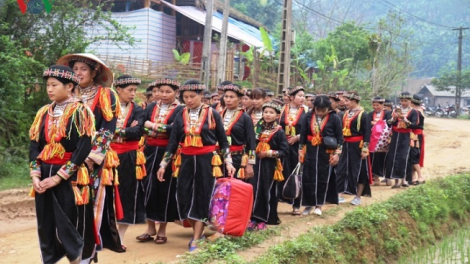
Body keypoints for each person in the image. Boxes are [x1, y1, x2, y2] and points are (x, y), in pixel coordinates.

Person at [156, 80, 236, 252]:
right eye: (185, 97)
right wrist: (163, 164)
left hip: (206, 161)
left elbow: (223, 140)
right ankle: (196, 231)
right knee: (183, 197)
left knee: (201, 197)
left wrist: (228, 162)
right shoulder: (181, 114)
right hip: (185, 161)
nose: (189, 100)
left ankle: (196, 238)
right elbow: (172, 142)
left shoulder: (213, 114)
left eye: (193, 96)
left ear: (201, 95)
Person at [57, 53, 124, 257]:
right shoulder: (67, 94)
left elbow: (107, 129)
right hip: (69, 158)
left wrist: (91, 157)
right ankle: (71, 246)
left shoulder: (106, 95)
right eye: (75, 69)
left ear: (94, 72)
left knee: (91, 202)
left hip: (93, 160)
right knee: (69, 202)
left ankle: (88, 249)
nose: (78, 73)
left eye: (83, 69)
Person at [29, 65, 95, 264]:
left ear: (69, 87)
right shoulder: (43, 113)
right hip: (44, 172)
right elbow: (34, 145)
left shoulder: (81, 112)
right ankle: (48, 260)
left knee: (69, 222)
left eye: (54, 85)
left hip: (69, 175)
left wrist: (58, 177)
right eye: (48, 85)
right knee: (46, 223)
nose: (49, 89)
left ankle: (76, 261)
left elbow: (83, 148)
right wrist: (35, 175)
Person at [137, 78, 185, 244]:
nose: (163, 95)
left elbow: (176, 129)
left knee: (164, 189)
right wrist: (152, 125)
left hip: (168, 152)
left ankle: (162, 230)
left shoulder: (181, 110)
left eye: (168, 92)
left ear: (176, 93)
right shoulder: (151, 106)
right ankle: (150, 227)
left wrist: (154, 126)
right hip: (149, 151)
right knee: (146, 187)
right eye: (160, 91)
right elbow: (141, 125)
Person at [111, 75, 146, 250]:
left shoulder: (138, 110)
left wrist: (116, 131)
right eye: (129, 90)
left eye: (135, 90)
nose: (133, 93)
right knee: (106, 192)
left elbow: (137, 131)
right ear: (118, 90)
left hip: (128, 157)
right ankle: (105, 233)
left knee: (126, 193)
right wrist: (125, 129)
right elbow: (100, 128)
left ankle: (121, 236)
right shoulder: (107, 108)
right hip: (108, 156)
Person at [299, 95, 343, 216]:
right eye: (318, 110)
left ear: (328, 108)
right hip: (310, 151)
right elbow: (303, 135)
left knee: (323, 178)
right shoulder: (308, 116)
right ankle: (308, 205)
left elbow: (340, 138)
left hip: (326, 152)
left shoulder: (335, 118)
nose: (320, 113)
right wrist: (301, 151)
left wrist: (337, 155)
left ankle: (319, 205)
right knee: (308, 178)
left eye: (323, 110)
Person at [248, 102, 289, 230]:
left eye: (271, 113)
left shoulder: (279, 131)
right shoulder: (256, 129)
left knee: (266, 191)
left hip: (269, 166)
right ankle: (251, 218)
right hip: (255, 164)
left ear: (277, 115)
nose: (267, 115)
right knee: (253, 190)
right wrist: (249, 162)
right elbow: (250, 146)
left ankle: (263, 219)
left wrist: (269, 153)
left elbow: (284, 151)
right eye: (265, 112)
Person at [336, 91, 372, 206]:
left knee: (359, 170)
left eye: (347, 101)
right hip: (346, 145)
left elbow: (367, 133)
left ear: (354, 102)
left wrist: (365, 149)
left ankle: (358, 196)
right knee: (342, 169)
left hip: (358, 146)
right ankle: (340, 194)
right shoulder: (345, 113)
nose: (345, 103)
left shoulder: (364, 115)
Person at [279, 86, 306, 215]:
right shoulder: (281, 110)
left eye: (303, 96)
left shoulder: (307, 111)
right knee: (281, 171)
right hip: (283, 146)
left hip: (298, 147)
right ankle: (280, 198)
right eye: (300, 96)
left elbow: (311, 129)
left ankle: (296, 204)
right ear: (291, 97)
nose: (302, 98)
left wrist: (297, 137)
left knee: (297, 173)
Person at [220, 84, 256, 178]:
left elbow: (251, 142)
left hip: (237, 158)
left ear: (240, 99)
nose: (228, 100)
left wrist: (250, 164)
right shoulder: (218, 115)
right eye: (226, 96)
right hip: (218, 158)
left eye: (232, 97)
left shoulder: (245, 117)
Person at [385, 92, 418, 188]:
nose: (403, 102)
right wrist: (394, 118)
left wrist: (405, 119)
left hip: (406, 136)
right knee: (394, 157)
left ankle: (404, 180)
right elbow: (389, 123)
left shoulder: (413, 112)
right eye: (402, 101)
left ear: (410, 101)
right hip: (395, 135)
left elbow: (414, 125)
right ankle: (396, 181)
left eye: (405, 101)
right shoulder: (396, 110)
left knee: (404, 157)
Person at [369, 97, 391, 186]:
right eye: (374, 105)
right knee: (375, 159)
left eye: (377, 105)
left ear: (382, 105)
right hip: (374, 140)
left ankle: (388, 177)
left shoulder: (388, 114)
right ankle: (376, 178)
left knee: (387, 159)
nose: (375, 107)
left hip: (385, 140)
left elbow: (390, 124)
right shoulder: (370, 114)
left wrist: (378, 123)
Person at [410, 94, 426, 185]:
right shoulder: (420, 110)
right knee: (413, 156)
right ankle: (413, 177)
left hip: (415, 135)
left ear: (411, 103)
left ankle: (420, 176)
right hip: (416, 134)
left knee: (414, 156)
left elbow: (414, 124)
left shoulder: (416, 112)